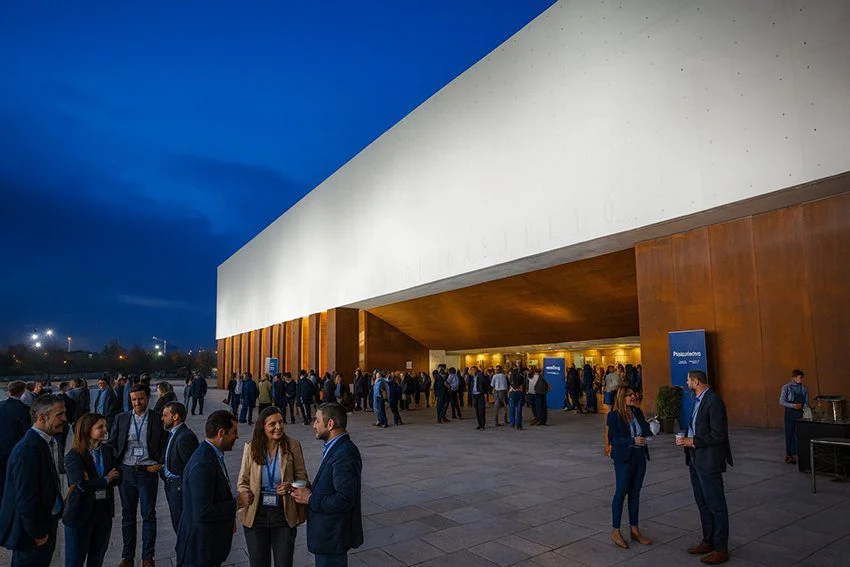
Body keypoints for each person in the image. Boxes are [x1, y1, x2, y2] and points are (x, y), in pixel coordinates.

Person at [292, 403, 362, 567]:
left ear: (330, 424)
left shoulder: (344, 454)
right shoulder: (336, 448)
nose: (314, 425)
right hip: (329, 536)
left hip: (333, 537)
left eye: (317, 420)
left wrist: (310, 497)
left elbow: (344, 499)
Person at [0, 395, 67, 567]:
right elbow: (26, 498)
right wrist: (38, 533)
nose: (64, 419)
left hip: (42, 528)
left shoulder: (43, 443)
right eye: (59, 415)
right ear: (42, 417)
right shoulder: (28, 449)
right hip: (31, 537)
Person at [237, 407, 308, 567]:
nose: (278, 427)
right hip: (256, 514)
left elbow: (302, 476)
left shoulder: (293, 445)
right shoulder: (251, 447)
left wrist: (290, 486)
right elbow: (243, 480)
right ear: (263, 426)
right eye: (273, 424)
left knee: (284, 562)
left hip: (283, 514)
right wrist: (244, 493)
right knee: (258, 562)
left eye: (281, 422)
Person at [675, 370, 733, 565]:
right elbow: (696, 426)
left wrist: (694, 441)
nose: (686, 382)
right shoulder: (698, 400)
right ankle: (707, 541)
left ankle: (721, 548)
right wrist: (686, 439)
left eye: (688, 380)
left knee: (716, 505)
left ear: (696, 382)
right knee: (702, 502)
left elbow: (719, 435)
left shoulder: (714, 402)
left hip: (708, 461)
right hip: (695, 459)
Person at [108, 384, 167, 567]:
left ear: (148, 398)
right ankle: (127, 557)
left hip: (147, 472)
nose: (137, 402)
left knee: (148, 515)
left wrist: (161, 463)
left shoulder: (158, 419)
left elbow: (166, 443)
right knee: (128, 516)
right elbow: (112, 443)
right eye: (133, 399)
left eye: (140, 398)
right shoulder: (121, 418)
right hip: (126, 472)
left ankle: (147, 557)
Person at [176, 410, 239, 567]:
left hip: (206, 547)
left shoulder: (211, 454)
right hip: (199, 550)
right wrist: (237, 503)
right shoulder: (203, 463)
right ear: (221, 433)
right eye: (234, 432)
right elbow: (203, 511)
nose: (237, 437)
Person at [63, 412, 121, 567]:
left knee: (97, 558)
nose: (104, 430)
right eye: (100, 427)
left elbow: (117, 475)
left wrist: (96, 481)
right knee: (75, 560)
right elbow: (81, 485)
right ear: (87, 429)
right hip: (80, 515)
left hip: (103, 512)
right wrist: (105, 480)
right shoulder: (74, 456)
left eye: (105, 427)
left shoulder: (107, 450)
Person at [607, 387, 653, 549]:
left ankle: (634, 529)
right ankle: (616, 530)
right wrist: (632, 441)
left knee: (635, 493)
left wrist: (652, 428)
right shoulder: (614, 416)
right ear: (622, 397)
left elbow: (645, 430)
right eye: (630, 395)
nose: (634, 397)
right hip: (624, 459)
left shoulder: (637, 412)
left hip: (640, 458)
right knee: (621, 493)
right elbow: (614, 439)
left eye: (634, 394)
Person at [161, 402, 200, 536]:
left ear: (176, 416)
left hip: (179, 489)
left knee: (182, 526)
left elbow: (191, 468)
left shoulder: (185, 437)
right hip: (171, 485)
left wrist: (182, 487)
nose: (162, 418)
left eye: (165, 415)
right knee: (177, 523)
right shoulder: (172, 433)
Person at [0, 380, 32, 505]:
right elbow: (26, 432)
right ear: (22, 391)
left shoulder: (1, 406)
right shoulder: (25, 409)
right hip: (16, 449)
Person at [779, 369, 809, 465]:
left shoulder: (804, 389)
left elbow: (806, 403)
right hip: (790, 414)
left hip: (800, 415)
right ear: (794, 378)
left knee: (800, 435)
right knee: (789, 434)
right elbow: (781, 401)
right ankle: (789, 455)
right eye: (800, 378)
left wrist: (803, 406)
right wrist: (793, 405)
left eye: (802, 378)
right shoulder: (786, 388)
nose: (801, 380)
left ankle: (801, 454)